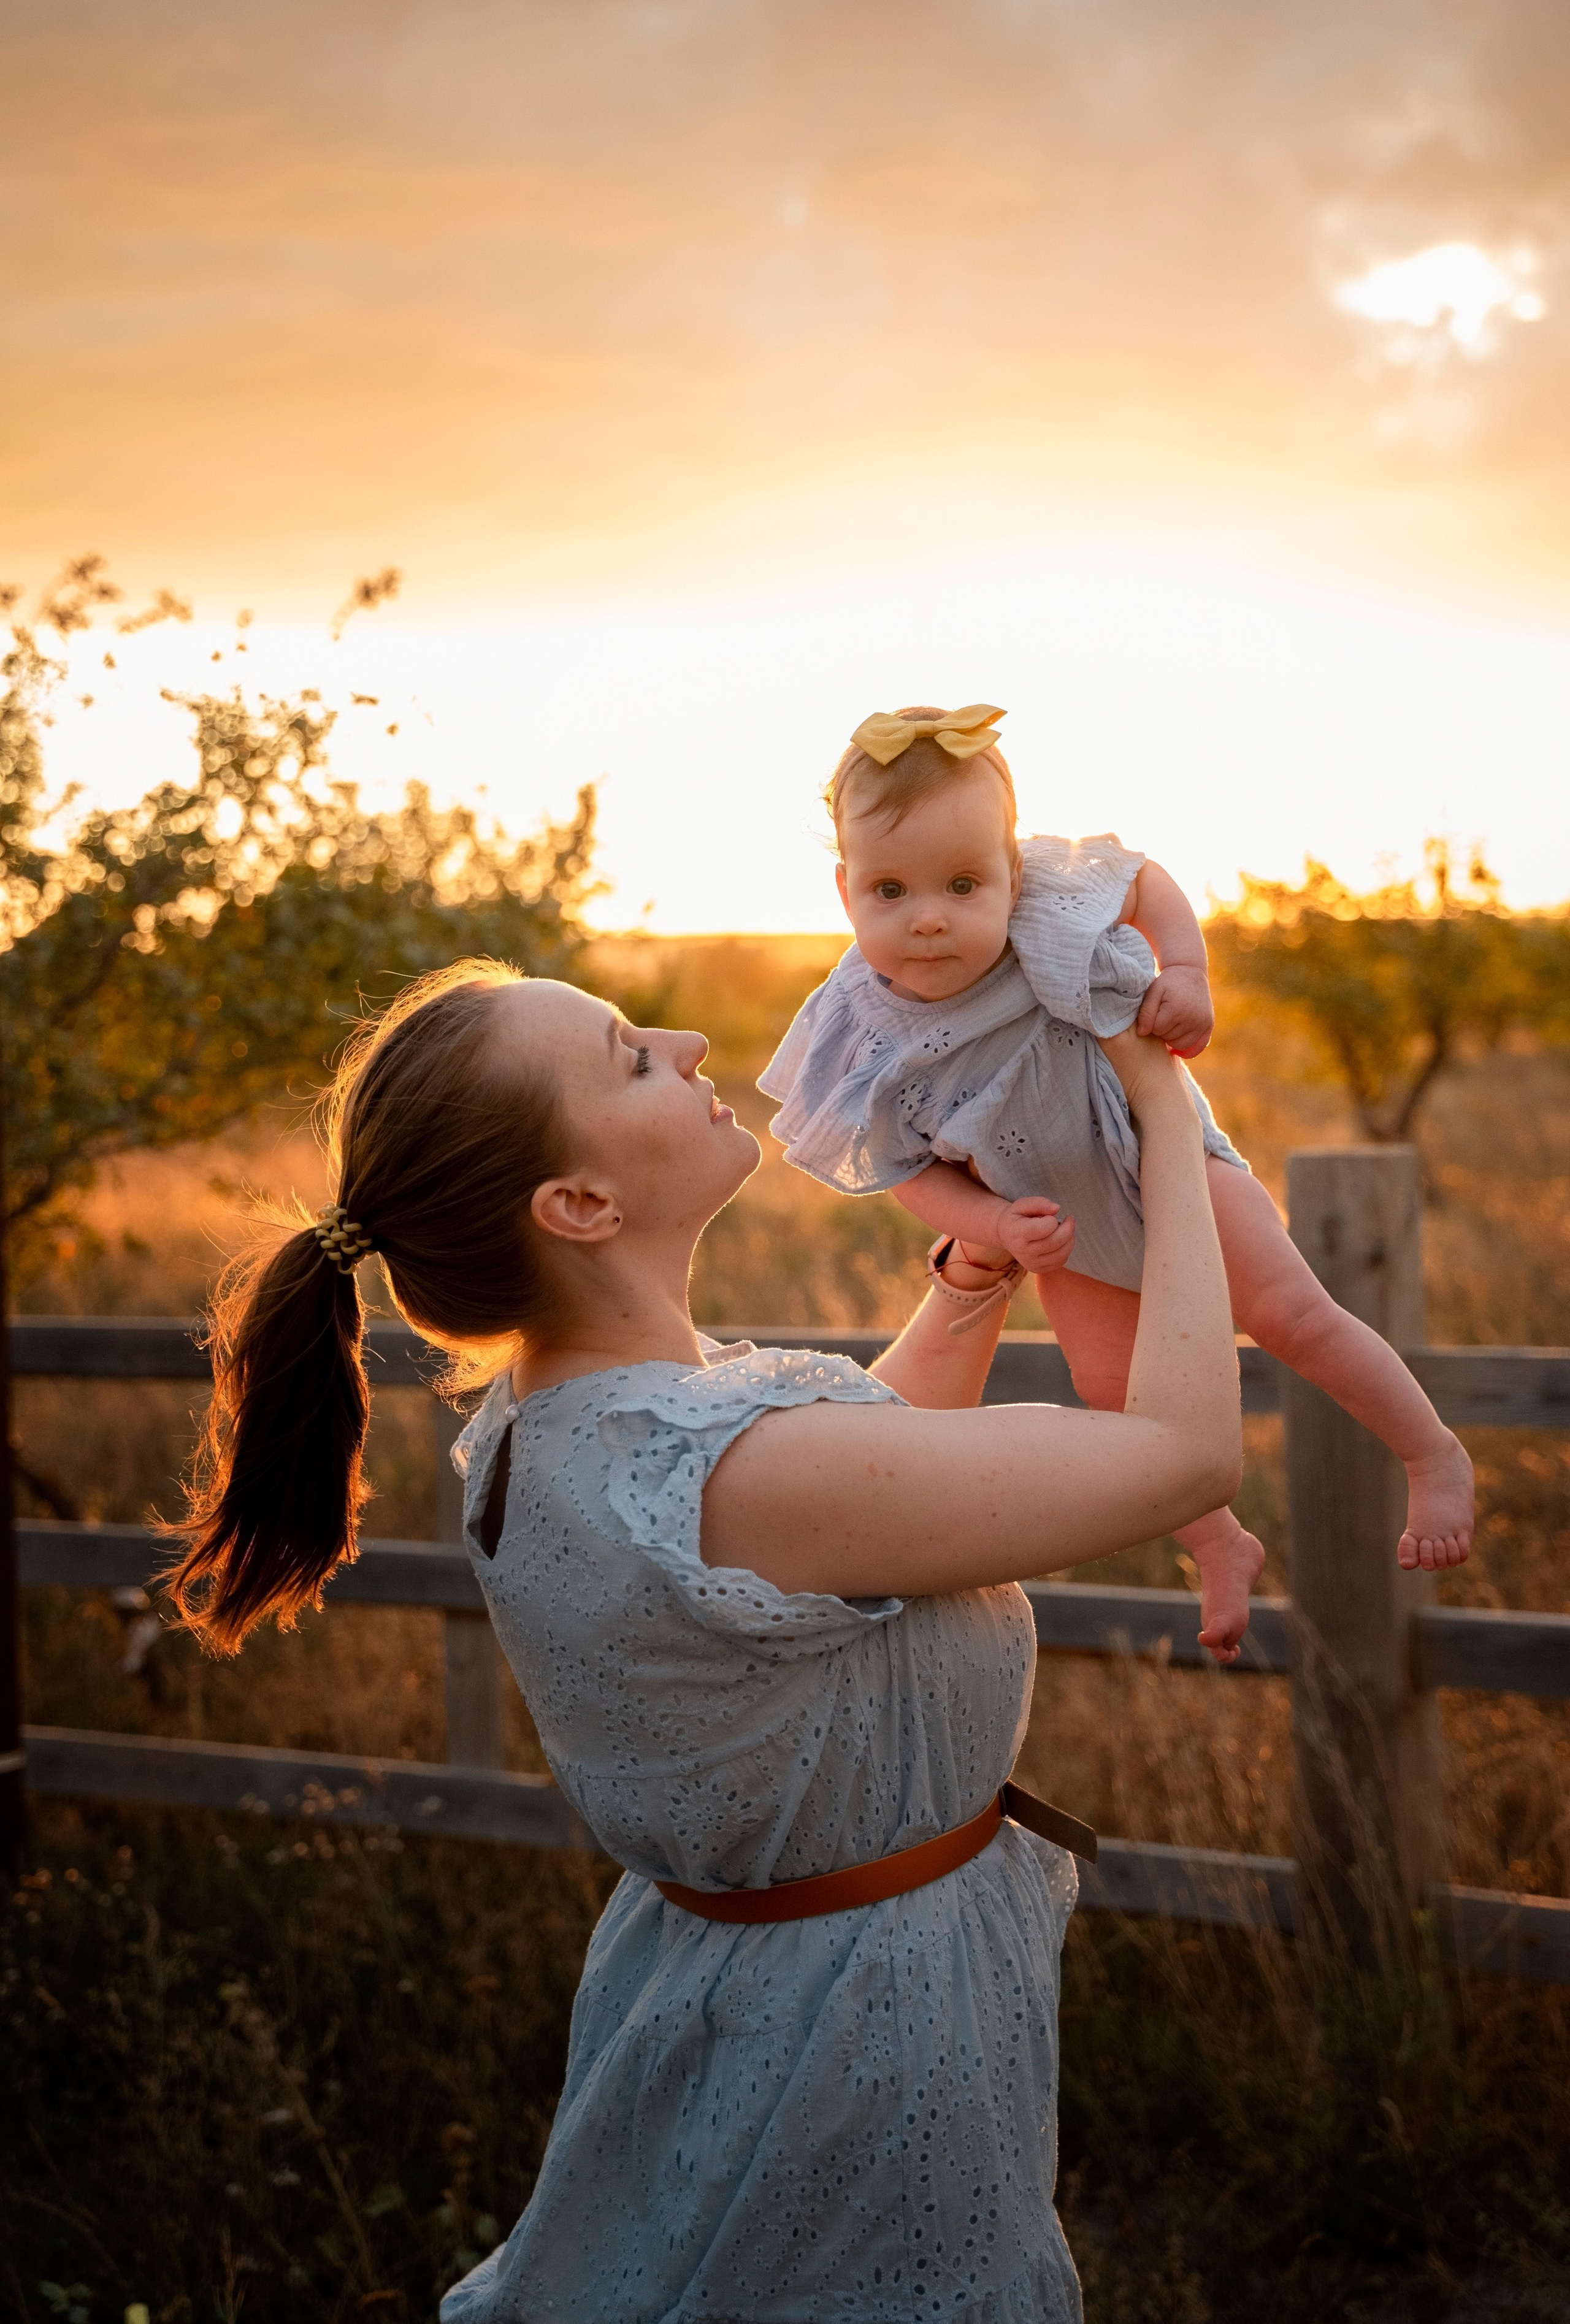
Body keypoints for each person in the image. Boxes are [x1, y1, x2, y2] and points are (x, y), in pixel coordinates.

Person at [168, 955, 1243, 2322]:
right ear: (579, 1204)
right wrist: (1159, 1104)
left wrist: (971, 1278)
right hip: (856, 2044)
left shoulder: (567, 1423)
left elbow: (850, 1497)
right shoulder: (722, 1469)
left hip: (739, 1991)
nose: (681, 1040)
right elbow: (1184, 1451)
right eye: (626, 1056)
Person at [760, 704, 1474, 1662]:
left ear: (1012, 871)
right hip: (1062, 1222)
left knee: (1293, 1316)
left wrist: (1187, 969)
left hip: (1161, 1160)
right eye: (891, 890)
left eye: (964, 883)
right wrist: (995, 1222)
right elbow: (908, 1172)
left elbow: (1142, 879)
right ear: (846, 891)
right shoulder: (865, 1031)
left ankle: (1433, 1454)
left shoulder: (1045, 908)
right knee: (1117, 1398)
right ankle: (1220, 1541)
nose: (929, 916)